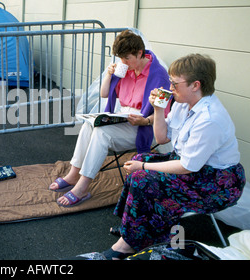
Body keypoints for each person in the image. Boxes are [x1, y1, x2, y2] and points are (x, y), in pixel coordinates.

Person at [102, 53, 245, 260]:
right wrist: (159, 110)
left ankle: (127, 243)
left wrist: (142, 168)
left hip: (216, 181)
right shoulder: (182, 102)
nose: (170, 87)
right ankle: (134, 228)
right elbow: (161, 138)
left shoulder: (210, 119)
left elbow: (187, 167)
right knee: (142, 159)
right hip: (193, 167)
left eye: (175, 83)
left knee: (143, 175)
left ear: (196, 85)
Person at [49, 30, 170, 207]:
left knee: (101, 133)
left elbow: (164, 114)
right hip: (124, 119)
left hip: (145, 126)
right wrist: (109, 75)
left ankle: (83, 187)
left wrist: (145, 121)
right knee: (89, 126)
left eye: (127, 58)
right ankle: (74, 174)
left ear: (139, 53)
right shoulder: (125, 70)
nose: (123, 62)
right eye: (120, 58)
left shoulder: (158, 75)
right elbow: (105, 93)